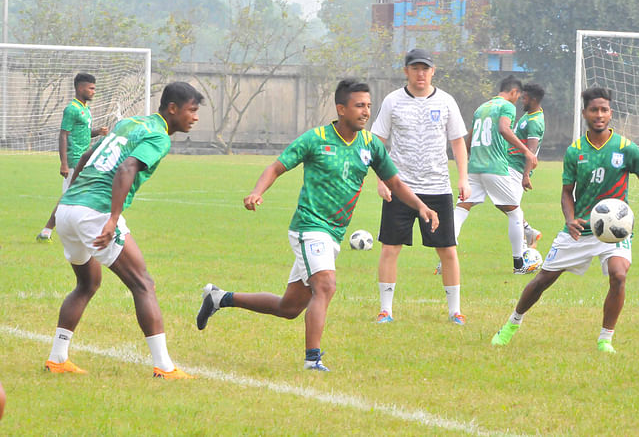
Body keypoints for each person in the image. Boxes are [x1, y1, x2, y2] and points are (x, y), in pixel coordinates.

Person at [195, 79, 439, 372]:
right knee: (325, 286)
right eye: (359, 106)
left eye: (369, 106)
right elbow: (276, 166)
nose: (366, 112)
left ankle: (219, 298)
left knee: (289, 308)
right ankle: (313, 360)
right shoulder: (315, 138)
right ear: (341, 109)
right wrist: (258, 191)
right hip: (309, 226)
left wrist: (421, 206)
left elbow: (395, 182)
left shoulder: (371, 144)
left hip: (334, 232)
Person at [490, 87, 639, 353]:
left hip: (614, 231)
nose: (599, 115)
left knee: (619, 275)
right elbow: (567, 192)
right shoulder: (575, 151)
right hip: (579, 229)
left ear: (610, 113)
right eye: (594, 110)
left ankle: (605, 339)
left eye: (604, 110)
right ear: (585, 113)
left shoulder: (626, 148)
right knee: (542, 280)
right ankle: (511, 324)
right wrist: (569, 219)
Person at [44, 81, 202, 379]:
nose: (195, 117)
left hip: (70, 210)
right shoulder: (158, 136)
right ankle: (164, 367)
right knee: (143, 283)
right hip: (95, 213)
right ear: (172, 108)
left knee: (87, 284)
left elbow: (89, 155)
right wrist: (113, 218)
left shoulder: (129, 123)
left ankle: (57, 358)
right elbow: (127, 167)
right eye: (192, 110)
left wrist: (67, 198)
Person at [370, 49, 469, 325]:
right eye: (415, 68)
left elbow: (458, 142)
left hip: (437, 188)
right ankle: (385, 310)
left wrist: (463, 178)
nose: (420, 73)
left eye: (425, 68)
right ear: (406, 71)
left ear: (433, 71)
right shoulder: (393, 101)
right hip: (399, 187)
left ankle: (455, 311)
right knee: (390, 248)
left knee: (448, 250)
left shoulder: (447, 102)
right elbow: (377, 141)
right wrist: (381, 180)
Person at [451, 75, 536, 274]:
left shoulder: (481, 108)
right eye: (518, 96)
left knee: (462, 209)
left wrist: (470, 161)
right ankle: (518, 264)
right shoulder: (506, 106)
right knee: (515, 213)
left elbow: (469, 140)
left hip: (474, 167)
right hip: (495, 168)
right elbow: (504, 129)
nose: (517, 100)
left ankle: (445, 258)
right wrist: (527, 152)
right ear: (514, 92)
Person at [36, 73, 109, 243]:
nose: (93, 91)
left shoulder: (85, 109)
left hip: (85, 161)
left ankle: (58, 230)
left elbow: (82, 134)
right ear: (80, 88)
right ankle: (47, 230)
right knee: (70, 197)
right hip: (74, 161)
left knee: (77, 195)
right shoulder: (72, 109)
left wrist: (97, 132)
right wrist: (64, 164)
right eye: (91, 88)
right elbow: (64, 135)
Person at [510, 82, 546, 249]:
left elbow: (531, 152)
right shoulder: (528, 116)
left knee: (512, 209)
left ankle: (524, 249)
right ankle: (528, 232)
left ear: (533, 99)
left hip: (517, 170)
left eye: (524, 97)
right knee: (508, 205)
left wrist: (525, 175)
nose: (521, 100)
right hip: (510, 165)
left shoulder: (535, 122)